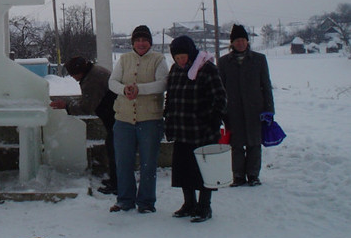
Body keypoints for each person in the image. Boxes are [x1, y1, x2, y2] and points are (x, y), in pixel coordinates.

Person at [164, 35, 227, 223]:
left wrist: (213, 118)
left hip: (202, 130)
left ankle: (204, 206)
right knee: (184, 169)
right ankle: (189, 203)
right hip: (182, 129)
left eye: (183, 56)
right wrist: (168, 115)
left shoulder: (207, 68)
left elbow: (220, 98)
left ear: (191, 53)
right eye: (177, 57)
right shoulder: (175, 69)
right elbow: (172, 95)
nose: (180, 60)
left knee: (203, 171)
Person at [108, 25, 169, 213]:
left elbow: (163, 84)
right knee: (123, 161)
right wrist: (124, 89)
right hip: (124, 119)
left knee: (148, 162)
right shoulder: (125, 59)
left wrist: (139, 89)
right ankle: (125, 199)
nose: (141, 43)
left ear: (150, 42)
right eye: (137, 40)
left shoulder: (159, 59)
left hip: (149, 119)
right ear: (133, 42)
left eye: (144, 40)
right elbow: (112, 82)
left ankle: (146, 202)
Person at [218, 24, 275, 187]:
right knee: (236, 144)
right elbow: (220, 88)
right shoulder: (223, 62)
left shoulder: (259, 60)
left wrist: (269, 110)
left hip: (255, 109)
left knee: (254, 144)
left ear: (247, 42)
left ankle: (253, 175)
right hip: (233, 110)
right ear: (232, 43)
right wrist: (221, 111)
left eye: (243, 40)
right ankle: (238, 176)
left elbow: (266, 85)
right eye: (237, 40)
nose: (240, 43)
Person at [51, 56, 117, 195]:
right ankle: (115, 180)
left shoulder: (92, 79)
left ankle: (117, 184)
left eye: (74, 75)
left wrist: (66, 105)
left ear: (79, 72)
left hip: (116, 118)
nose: (74, 79)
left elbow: (87, 106)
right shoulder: (94, 71)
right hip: (115, 116)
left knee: (114, 148)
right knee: (113, 147)